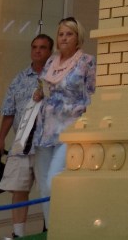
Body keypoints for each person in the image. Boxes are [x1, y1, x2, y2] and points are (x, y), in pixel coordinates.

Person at [32, 18, 96, 230]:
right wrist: (38, 93)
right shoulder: (51, 62)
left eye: (69, 34)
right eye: (61, 34)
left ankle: (67, 227)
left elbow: (93, 95)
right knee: (44, 187)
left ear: (78, 37)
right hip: (45, 130)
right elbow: (44, 89)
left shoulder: (87, 61)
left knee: (54, 182)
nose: (64, 38)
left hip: (70, 129)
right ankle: (52, 230)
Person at [0, 34, 54, 240]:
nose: (38, 51)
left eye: (43, 47)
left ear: (50, 51)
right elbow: (8, 112)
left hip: (46, 143)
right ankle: (18, 234)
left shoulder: (55, 76)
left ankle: (50, 229)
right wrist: (0, 140)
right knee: (19, 189)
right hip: (21, 143)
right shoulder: (19, 79)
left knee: (48, 190)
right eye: (34, 47)